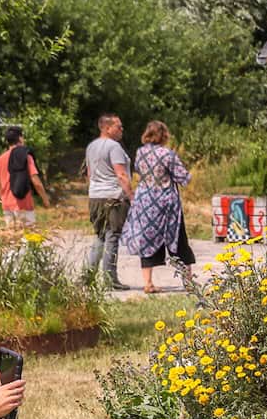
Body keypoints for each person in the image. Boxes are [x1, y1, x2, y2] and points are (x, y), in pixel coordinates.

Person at [124, 120, 194, 294]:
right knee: (178, 240)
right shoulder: (167, 154)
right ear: (163, 135)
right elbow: (182, 177)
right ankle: (188, 282)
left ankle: (148, 283)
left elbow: (138, 171)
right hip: (165, 202)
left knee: (147, 239)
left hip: (145, 201)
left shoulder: (140, 152)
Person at [82, 114, 133, 289]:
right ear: (107, 128)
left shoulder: (91, 146)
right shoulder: (114, 147)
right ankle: (110, 279)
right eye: (118, 127)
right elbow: (120, 174)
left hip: (95, 195)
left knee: (100, 236)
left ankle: (87, 276)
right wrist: (131, 196)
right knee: (112, 236)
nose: (121, 130)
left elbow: (89, 173)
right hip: (113, 197)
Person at [0, 126, 50, 226]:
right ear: (20, 138)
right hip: (23, 204)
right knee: (28, 238)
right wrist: (45, 199)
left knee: (12, 239)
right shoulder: (25, 156)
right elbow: (36, 181)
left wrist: (4, 201)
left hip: (7, 206)